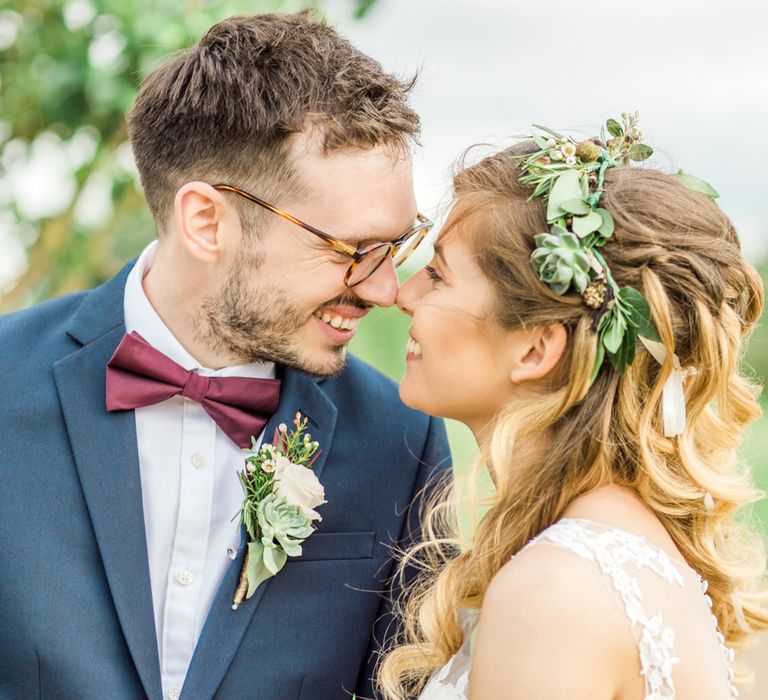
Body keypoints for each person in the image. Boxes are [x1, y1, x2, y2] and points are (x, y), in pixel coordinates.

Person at [0, 12, 450, 700]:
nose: (385, 289)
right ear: (207, 222)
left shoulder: (404, 438)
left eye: (397, 246)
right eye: (352, 251)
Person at [379, 119, 768, 699]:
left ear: (535, 349)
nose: (401, 295)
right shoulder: (624, 548)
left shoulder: (555, 589)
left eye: (436, 275)